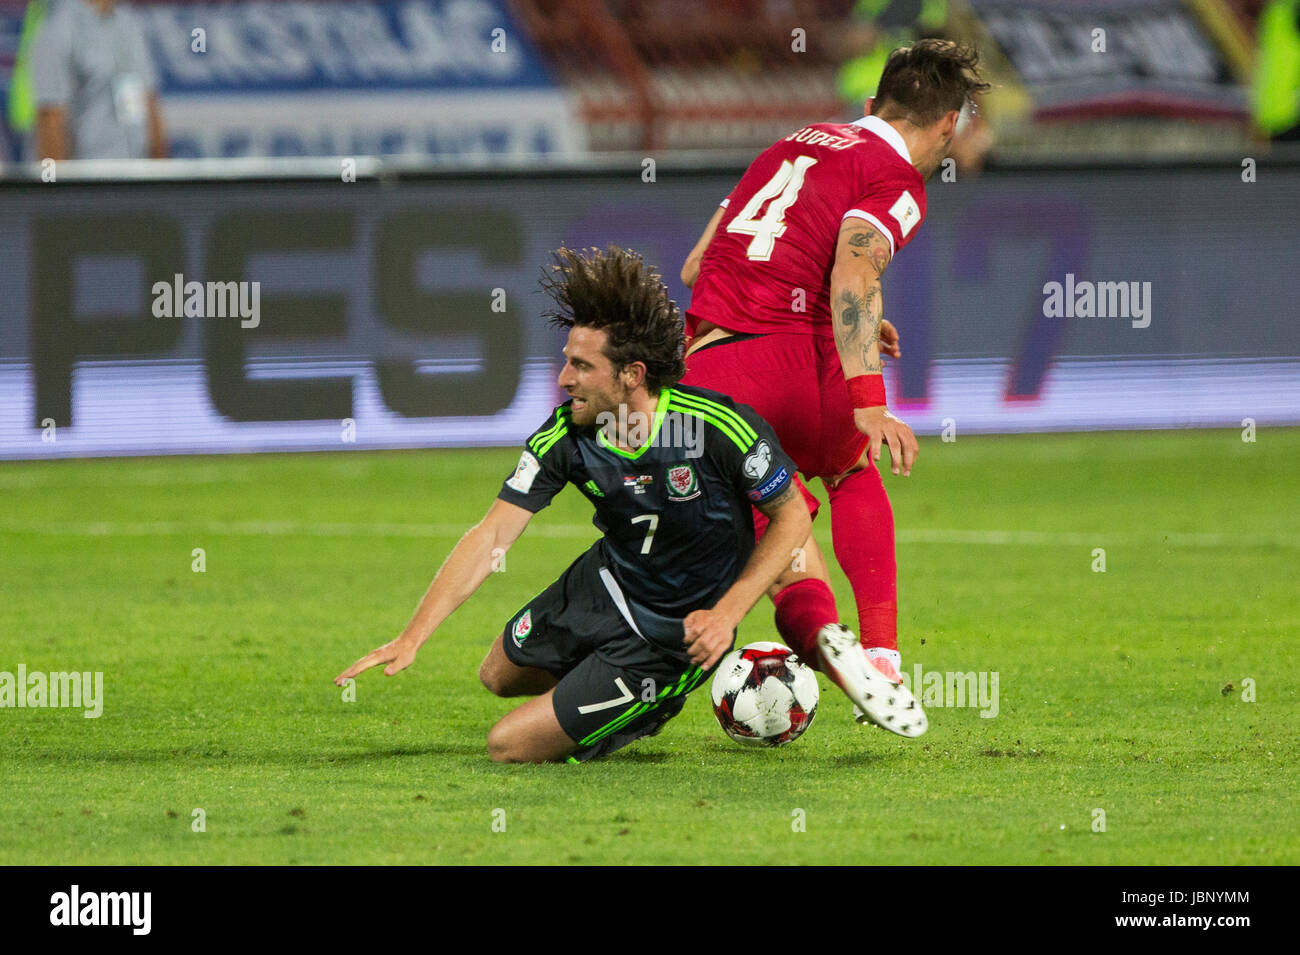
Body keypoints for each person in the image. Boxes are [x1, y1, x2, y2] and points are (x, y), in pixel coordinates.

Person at [335, 246, 816, 763]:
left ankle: (643, 703)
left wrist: (726, 615)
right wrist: (413, 637)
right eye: (567, 361)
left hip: (673, 635)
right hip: (605, 584)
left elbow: (793, 517)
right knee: (496, 675)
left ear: (631, 374)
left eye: (582, 366)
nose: (564, 379)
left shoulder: (717, 427)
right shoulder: (566, 435)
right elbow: (491, 535)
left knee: (507, 746)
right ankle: (596, 692)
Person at [678, 39, 990, 733]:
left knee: (767, 519)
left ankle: (822, 632)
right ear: (948, 124)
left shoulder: (787, 146)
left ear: (871, 103)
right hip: (795, 368)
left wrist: (822, 311)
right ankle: (879, 654)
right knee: (850, 467)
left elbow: (701, 265)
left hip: (711, 369)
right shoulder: (898, 181)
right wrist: (869, 400)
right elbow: (854, 275)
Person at [31, 0, 167, 160]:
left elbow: (148, 101)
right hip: (88, 175)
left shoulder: (128, 24)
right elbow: (50, 118)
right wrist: (56, 183)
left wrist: (159, 170)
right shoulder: (58, 27)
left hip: (137, 170)